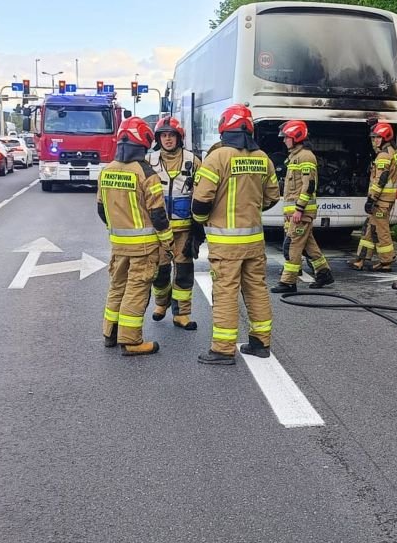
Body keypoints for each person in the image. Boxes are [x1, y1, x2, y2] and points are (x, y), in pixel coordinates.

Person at [191, 104, 280, 365]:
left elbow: (200, 202)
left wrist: (200, 223)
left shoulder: (217, 158)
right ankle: (261, 343)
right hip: (254, 241)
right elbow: (272, 197)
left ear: (223, 128)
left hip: (226, 244)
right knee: (256, 289)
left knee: (226, 293)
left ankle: (222, 349)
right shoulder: (263, 158)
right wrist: (251, 208)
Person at [97, 117, 174, 356]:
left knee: (117, 287)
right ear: (144, 141)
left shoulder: (107, 170)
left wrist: (120, 227)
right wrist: (168, 241)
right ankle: (131, 341)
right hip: (144, 247)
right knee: (136, 290)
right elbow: (158, 215)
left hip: (118, 244)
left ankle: (110, 333)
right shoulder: (146, 174)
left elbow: (101, 210)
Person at [147, 116, 201, 330]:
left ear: (180, 138)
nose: (168, 139)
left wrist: (199, 228)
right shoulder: (149, 161)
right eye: (164, 135)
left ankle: (182, 313)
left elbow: (203, 192)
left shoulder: (193, 160)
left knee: (184, 272)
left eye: (171, 135)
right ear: (158, 138)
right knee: (159, 273)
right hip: (158, 231)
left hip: (184, 230)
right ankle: (161, 304)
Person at [271, 119, 334, 294]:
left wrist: (298, 209)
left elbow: (309, 186)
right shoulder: (295, 157)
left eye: (286, 137)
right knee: (307, 245)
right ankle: (323, 273)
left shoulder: (306, 156)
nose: (284, 140)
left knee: (292, 245)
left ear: (296, 137)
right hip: (296, 213)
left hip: (302, 212)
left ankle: (288, 282)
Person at [348, 120, 397, 272]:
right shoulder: (391, 152)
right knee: (370, 227)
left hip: (381, 201)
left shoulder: (383, 155)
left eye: (377, 137)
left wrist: (372, 199)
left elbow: (380, 180)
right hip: (384, 200)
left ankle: (386, 261)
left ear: (385, 138)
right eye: (373, 137)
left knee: (381, 230)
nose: (374, 140)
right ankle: (360, 259)